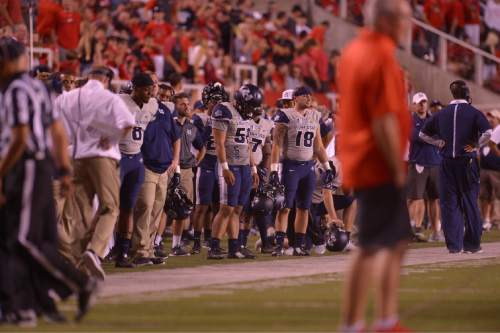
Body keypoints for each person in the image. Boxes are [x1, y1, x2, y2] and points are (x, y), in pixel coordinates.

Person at [0, 36, 98, 325]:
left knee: (22, 239)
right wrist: (64, 170)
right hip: (39, 167)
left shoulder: (17, 90)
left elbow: (20, 138)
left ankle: (78, 284)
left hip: (25, 166)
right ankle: (26, 305)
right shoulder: (38, 89)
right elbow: (57, 131)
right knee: (30, 239)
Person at [336, 0, 413, 331]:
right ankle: (368, 322)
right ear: (387, 20)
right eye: (405, 18)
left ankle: (383, 319)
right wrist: (397, 167)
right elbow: (383, 119)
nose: (409, 25)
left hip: (362, 157)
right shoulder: (380, 55)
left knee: (391, 242)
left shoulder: (355, 50)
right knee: (371, 246)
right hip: (377, 161)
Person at [58, 66, 135, 279]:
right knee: (110, 207)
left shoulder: (67, 97)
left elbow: (53, 124)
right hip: (103, 156)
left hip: (75, 157)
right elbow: (128, 123)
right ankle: (94, 251)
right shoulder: (110, 98)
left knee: (79, 213)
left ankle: (76, 264)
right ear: (107, 80)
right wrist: (110, 135)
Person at [420, 80, 492, 254]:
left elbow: (423, 134)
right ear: (467, 94)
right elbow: (488, 133)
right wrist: (476, 145)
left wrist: (438, 142)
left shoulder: (441, 114)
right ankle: (472, 245)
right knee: (469, 203)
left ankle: (454, 245)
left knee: (449, 204)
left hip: (446, 164)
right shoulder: (474, 112)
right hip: (467, 163)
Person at [269, 86, 334, 256]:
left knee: (304, 208)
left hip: (308, 168)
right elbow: (276, 145)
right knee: (285, 207)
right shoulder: (285, 115)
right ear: (296, 98)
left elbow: (318, 145)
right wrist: (274, 170)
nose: (309, 98)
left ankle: (298, 245)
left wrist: (327, 166)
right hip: (290, 166)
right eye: (305, 95)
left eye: (310, 95)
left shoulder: (314, 115)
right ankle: (278, 244)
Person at [208, 84, 262, 260]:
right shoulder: (223, 110)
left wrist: (253, 168)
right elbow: (219, 143)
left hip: (244, 166)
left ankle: (234, 247)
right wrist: (224, 168)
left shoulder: (245, 116)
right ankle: (214, 246)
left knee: (238, 209)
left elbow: (247, 143)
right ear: (240, 101)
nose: (251, 111)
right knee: (226, 208)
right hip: (230, 165)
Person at [131, 81, 181, 266]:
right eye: (150, 84)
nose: (153, 88)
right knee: (145, 207)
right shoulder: (138, 108)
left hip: (164, 168)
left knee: (157, 211)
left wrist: (175, 161)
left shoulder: (164, 110)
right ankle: (139, 249)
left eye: (154, 84)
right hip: (146, 165)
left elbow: (176, 137)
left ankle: (149, 248)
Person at [114, 73, 157, 268]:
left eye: (151, 89)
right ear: (136, 88)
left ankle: (122, 253)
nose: (150, 93)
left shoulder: (152, 105)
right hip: (118, 157)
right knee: (108, 206)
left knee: (128, 208)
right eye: (146, 89)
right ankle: (97, 249)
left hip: (136, 159)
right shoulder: (120, 101)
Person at [191, 83, 229, 252]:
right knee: (201, 206)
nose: (217, 104)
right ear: (206, 101)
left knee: (218, 206)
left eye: (220, 101)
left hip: (220, 165)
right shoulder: (199, 119)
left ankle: (211, 238)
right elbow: (198, 142)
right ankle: (196, 242)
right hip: (205, 164)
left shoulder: (226, 117)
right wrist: (210, 125)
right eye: (214, 100)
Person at [171, 93, 205, 256]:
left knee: (182, 208)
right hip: (168, 169)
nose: (186, 106)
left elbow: (202, 147)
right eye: (182, 104)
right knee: (161, 208)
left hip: (186, 170)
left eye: (187, 104)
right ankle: (154, 243)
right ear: (175, 106)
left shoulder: (192, 127)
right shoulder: (169, 124)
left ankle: (176, 245)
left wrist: (195, 162)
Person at [407, 92, 442, 242]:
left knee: (434, 199)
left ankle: (436, 232)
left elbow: (441, 136)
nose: (422, 105)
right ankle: (407, 230)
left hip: (435, 163)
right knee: (414, 198)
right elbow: (417, 137)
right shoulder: (409, 121)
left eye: (424, 102)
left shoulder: (434, 119)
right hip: (419, 164)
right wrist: (434, 139)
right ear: (414, 105)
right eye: (419, 102)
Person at [479, 110, 500, 231]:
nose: (490, 120)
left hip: (497, 169)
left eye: (493, 118)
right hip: (484, 169)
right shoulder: (485, 133)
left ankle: (496, 219)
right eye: (489, 118)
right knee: (484, 196)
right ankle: (486, 220)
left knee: (497, 196)